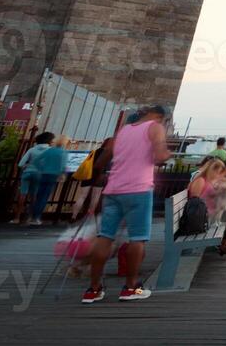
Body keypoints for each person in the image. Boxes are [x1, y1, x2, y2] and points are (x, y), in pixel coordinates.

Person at [82, 105, 171, 305]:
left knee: (104, 237)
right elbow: (159, 155)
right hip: (138, 189)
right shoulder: (155, 127)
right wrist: (167, 154)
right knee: (137, 239)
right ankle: (131, 287)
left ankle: (93, 289)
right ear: (159, 116)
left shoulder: (123, 130)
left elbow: (101, 162)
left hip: (113, 189)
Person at [11, 131, 52, 224]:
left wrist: (27, 166)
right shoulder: (49, 150)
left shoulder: (32, 150)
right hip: (39, 174)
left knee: (22, 194)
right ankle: (30, 217)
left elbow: (21, 164)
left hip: (27, 173)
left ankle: (16, 218)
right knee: (34, 196)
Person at [29, 134, 69, 225]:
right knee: (45, 197)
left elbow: (36, 160)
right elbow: (63, 166)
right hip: (53, 175)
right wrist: (63, 174)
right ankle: (37, 217)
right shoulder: (63, 152)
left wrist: (41, 168)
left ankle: (32, 216)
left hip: (43, 174)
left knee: (39, 195)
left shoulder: (49, 150)